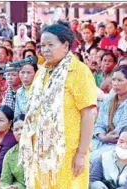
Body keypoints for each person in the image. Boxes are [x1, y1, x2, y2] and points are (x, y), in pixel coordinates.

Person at [18, 21, 97, 189]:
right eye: (42, 45)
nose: (45, 50)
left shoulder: (79, 72)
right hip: (40, 150)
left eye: (50, 45)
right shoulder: (41, 72)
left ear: (65, 45)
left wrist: (82, 153)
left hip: (68, 152)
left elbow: (89, 114)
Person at [91, 65, 127, 162]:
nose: (115, 84)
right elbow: (99, 124)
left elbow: (119, 135)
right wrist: (103, 137)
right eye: (114, 80)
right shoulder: (109, 100)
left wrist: (106, 138)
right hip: (102, 140)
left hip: (122, 147)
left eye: (119, 80)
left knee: (90, 160)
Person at [0, 114, 25, 189]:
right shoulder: (10, 154)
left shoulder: (41, 150)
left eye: (23, 128)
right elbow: (4, 182)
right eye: (16, 130)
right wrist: (7, 187)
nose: (20, 132)